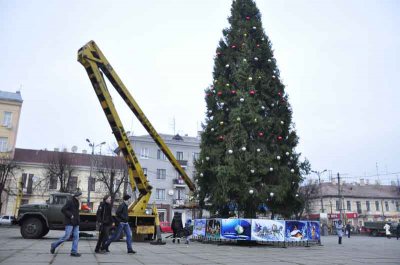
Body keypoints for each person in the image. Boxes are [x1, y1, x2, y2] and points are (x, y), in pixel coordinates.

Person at [50, 191, 82, 257]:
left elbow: (77, 211)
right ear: (77, 196)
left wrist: (80, 204)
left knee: (76, 237)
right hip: (70, 222)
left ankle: (73, 252)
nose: (81, 196)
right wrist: (70, 215)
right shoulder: (70, 201)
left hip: (76, 222)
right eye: (80, 195)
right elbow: (63, 209)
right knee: (67, 237)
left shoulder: (78, 202)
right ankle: (54, 245)